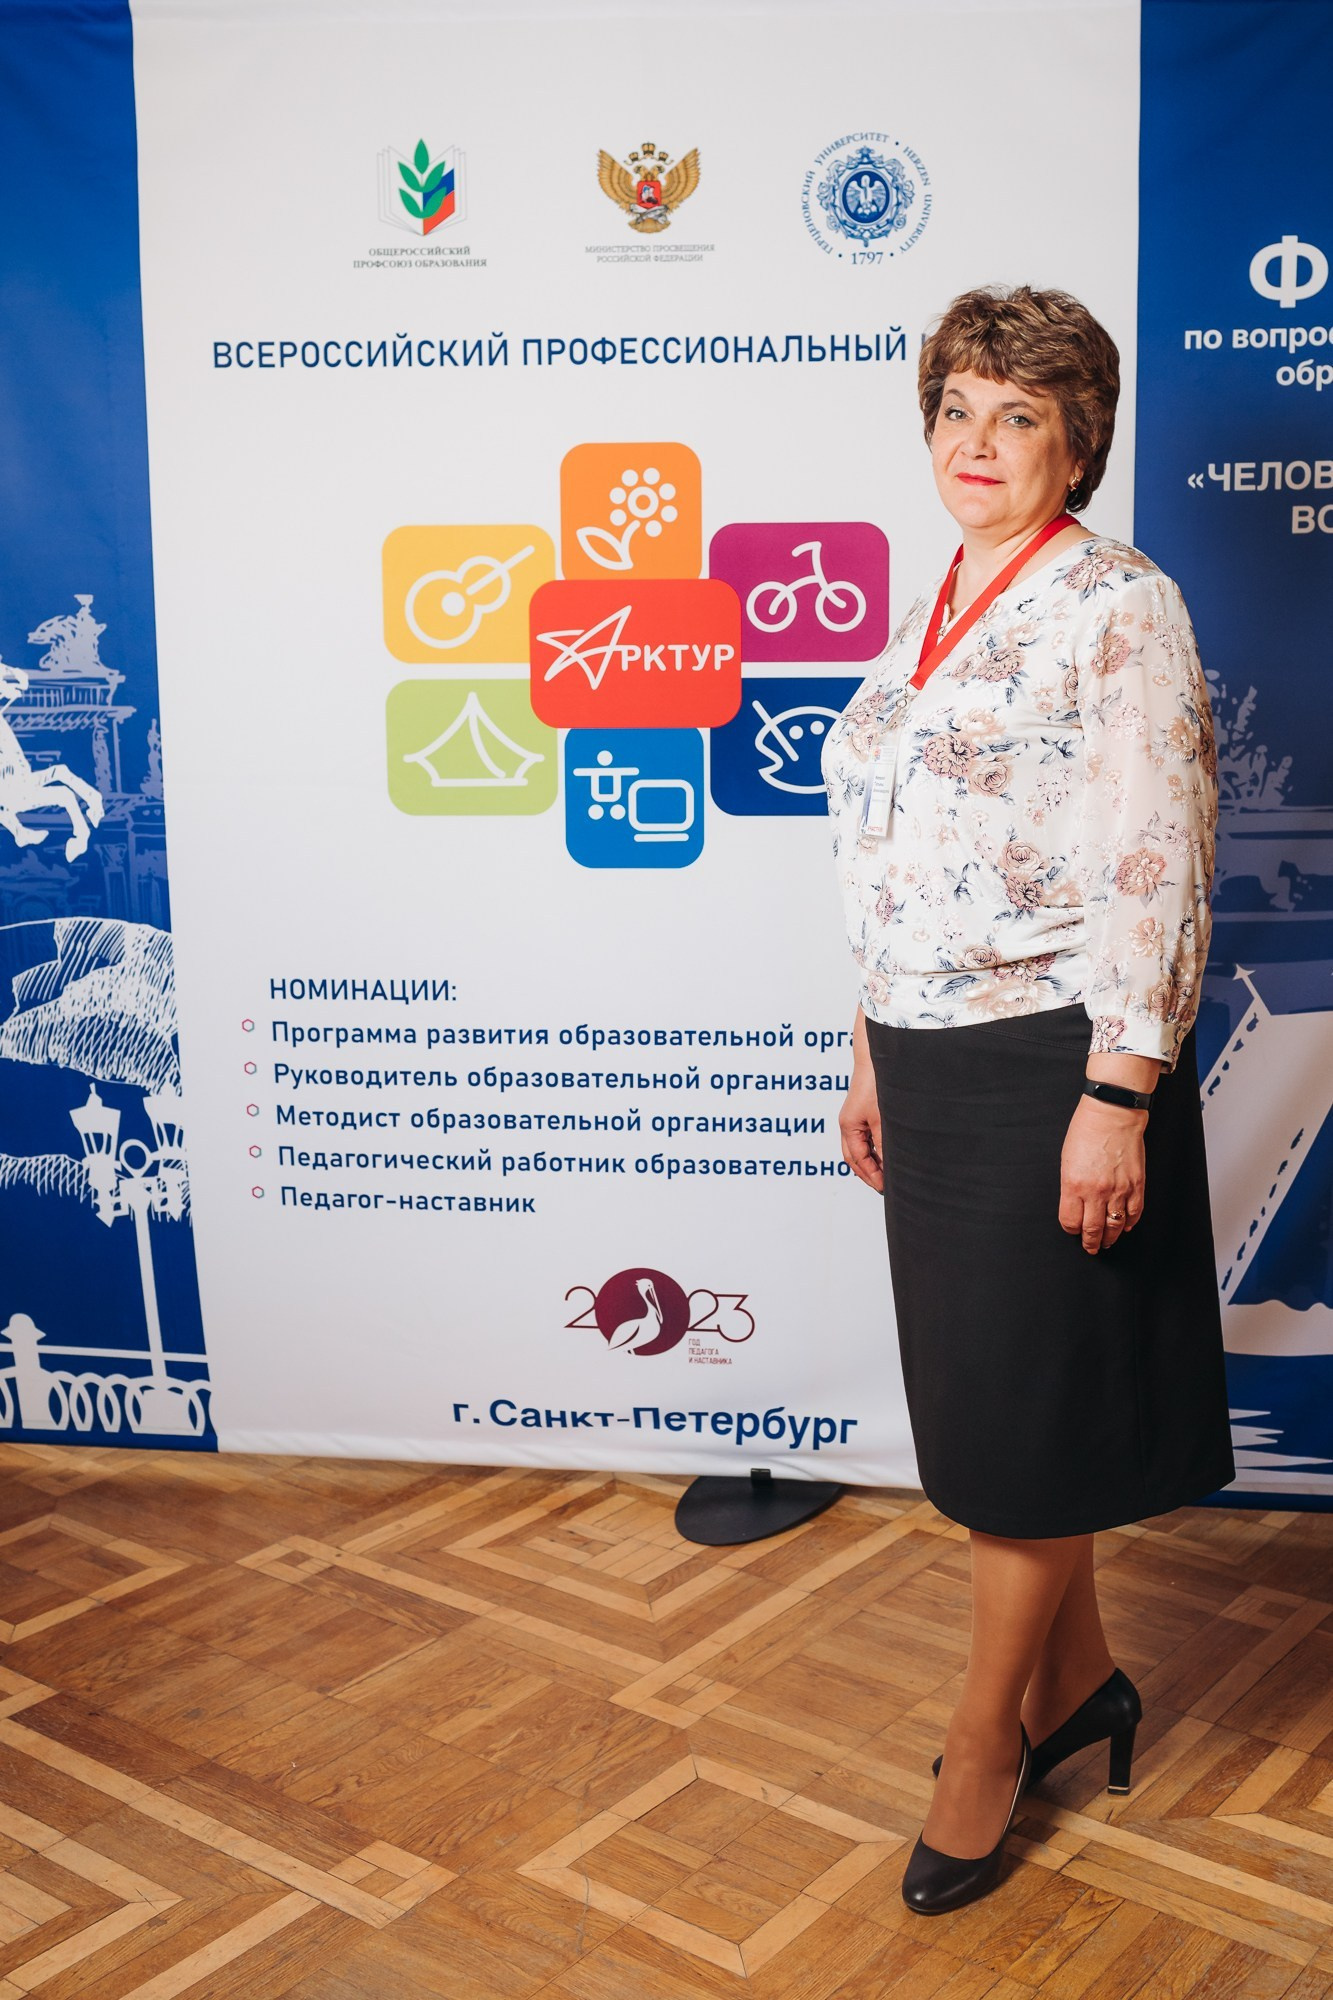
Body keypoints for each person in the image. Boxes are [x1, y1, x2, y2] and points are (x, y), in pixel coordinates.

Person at [820, 284, 1234, 1917]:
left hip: (1048, 1061)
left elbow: (1156, 857)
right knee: (1005, 1416)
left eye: (1018, 417)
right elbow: (896, 856)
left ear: (1077, 445)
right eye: (956, 411)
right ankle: (1080, 1686)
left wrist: (1116, 1094)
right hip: (924, 1059)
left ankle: (983, 1745)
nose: (976, 444)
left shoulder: (1116, 601)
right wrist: (866, 1044)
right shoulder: (934, 602)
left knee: (1010, 1438)